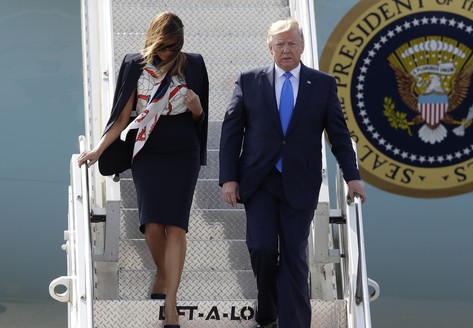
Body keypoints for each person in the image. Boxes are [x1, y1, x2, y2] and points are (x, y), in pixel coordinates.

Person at [219, 18, 366, 328]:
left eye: (292, 43)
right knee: (261, 248)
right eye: (280, 44)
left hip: (301, 181)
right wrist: (228, 177)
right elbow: (231, 132)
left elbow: (338, 135)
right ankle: (269, 311)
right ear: (270, 48)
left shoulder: (322, 84)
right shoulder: (249, 81)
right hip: (259, 180)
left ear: (302, 46)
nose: (286, 50)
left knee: (293, 256)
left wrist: (352, 176)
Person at [78, 12, 208, 328]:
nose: (168, 53)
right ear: (153, 40)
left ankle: (172, 302)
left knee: (176, 226)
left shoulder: (193, 63)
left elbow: (200, 117)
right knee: (151, 225)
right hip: (147, 149)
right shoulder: (133, 64)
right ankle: (163, 273)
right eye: (164, 46)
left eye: (174, 47)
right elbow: (122, 117)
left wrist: (195, 107)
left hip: (182, 149)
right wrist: (98, 150)